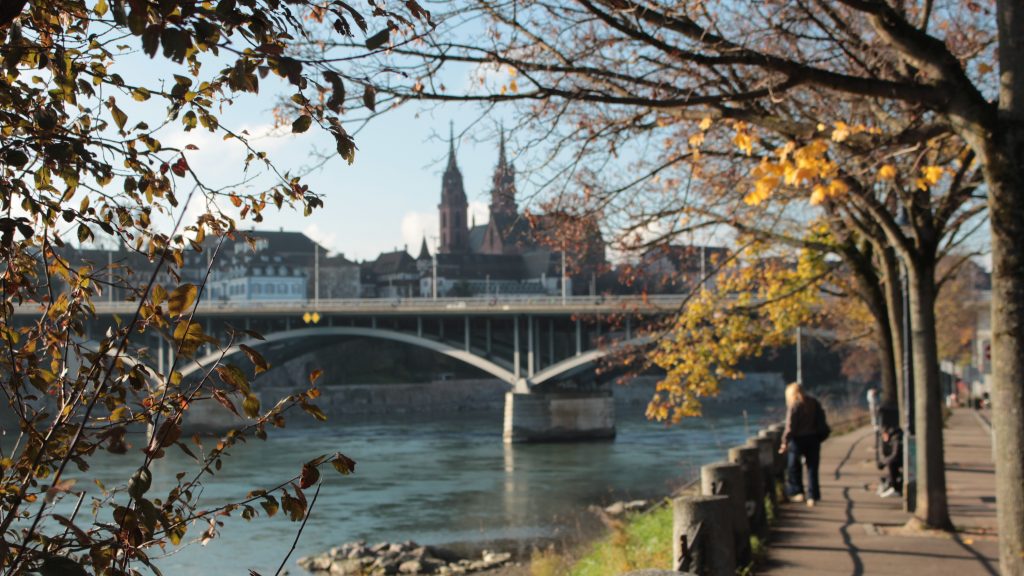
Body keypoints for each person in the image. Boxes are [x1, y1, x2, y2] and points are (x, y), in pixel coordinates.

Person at [778, 382, 828, 507]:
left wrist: (784, 442)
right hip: (813, 439)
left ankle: (797, 492)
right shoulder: (813, 402)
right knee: (812, 468)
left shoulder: (794, 405)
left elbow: (790, 427)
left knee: (793, 467)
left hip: (798, 440)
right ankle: (812, 495)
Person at [877, 426, 903, 498]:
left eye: (883, 436)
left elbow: (896, 454)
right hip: (902, 459)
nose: (883, 439)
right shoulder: (895, 436)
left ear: (886, 433)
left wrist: (884, 462)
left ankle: (895, 488)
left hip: (903, 460)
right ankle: (892, 486)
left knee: (891, 464)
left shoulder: (896, 438)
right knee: (891, 464)